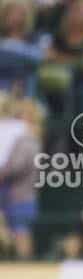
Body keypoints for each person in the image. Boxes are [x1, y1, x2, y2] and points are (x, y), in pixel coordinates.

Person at [0, 96, 41, 258]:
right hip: (11, 195)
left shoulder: (28, 138)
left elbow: (18, 166)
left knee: (21, 233)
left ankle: (24, 265)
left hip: (21, 197)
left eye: (21, 114)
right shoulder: (16, 136)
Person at [0, 0, 46, 97]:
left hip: (25, 86)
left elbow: (38, 59)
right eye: (11, 12)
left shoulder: (35, 38)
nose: (15, 17)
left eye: (20, 13)